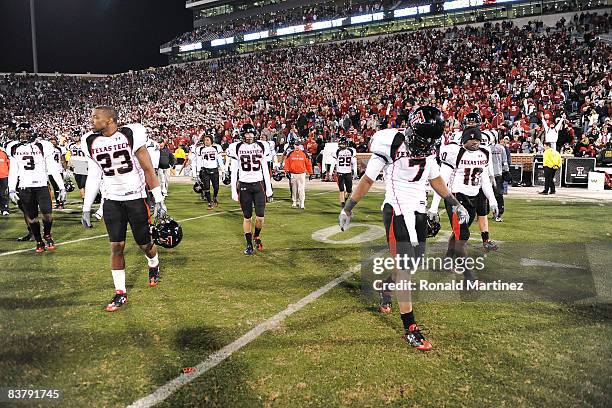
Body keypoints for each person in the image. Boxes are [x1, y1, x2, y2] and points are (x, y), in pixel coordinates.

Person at [339, 106, 470, 351]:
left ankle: (385, 288)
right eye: (422, 140)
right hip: (396, 211)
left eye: (430, 141)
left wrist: (454, 203)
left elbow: (436, 179)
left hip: (418, 210)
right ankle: (410, 327)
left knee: (413, 263)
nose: (425, 146)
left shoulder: (430, 150)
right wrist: (348, 207)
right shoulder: (389, 144)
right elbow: (367, 180)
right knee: (405, 268)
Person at [80, 106, 167, 312]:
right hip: (111, 200)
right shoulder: (90, 141)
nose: (92, 120)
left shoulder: (130, 134)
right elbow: (94, 175)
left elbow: (147, 168)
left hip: (136, 198)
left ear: (110, 120)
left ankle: (153, 263)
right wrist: (86, 207)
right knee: (116, 246)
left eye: (96, 117)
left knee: (144, 244)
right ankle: (120, 292)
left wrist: (158, 199)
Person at [428, 127, 499, 281]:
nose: (474, 144)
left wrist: (493, 201)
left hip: (473, 198)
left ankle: (448, 260)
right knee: (463, 235)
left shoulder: (484, 153)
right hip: (456, 198)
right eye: (470, 141)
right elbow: (442, 182)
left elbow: (484, 180)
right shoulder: (454, 153)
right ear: (463, 141)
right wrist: (434, 207)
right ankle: (469, 278)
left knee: (458, 234)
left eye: (477, 141)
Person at [8, 123, 66, 252]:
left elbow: (52, 168)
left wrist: (61, 187)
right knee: (32, 216)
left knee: (47, 213)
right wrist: (12, 188)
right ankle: (39, 241)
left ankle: (47, 234)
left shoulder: (43, 145)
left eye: (25, 133)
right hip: (25, 186)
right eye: (20, 133)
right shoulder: (13, 147)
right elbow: (13, 170)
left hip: (41, 185)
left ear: (32, 133)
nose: (22, 136)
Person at [227, 123, 273, 255]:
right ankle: (248, 244)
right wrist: (233, 191)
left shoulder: (262, 146)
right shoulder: (236, 147)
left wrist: (268, 188)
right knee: (247, 217)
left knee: (260, 218)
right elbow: (234, 170)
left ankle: (256, 235)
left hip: (258, 185)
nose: (249, 136)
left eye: (251, 133)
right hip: (244, 185)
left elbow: (264, 167)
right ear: (242, 134)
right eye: (246, 133)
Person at [195, 134, 224, 209]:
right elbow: (199, 161)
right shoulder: (200, 149)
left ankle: (214, 197)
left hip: (214, 169)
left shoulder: (216, 148)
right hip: (205, 170)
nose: (206, 141)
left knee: (216, 187)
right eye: (205, 140)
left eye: (208, 140)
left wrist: (223, 169)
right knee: (206, 188)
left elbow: (220, 159)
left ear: (211, 140)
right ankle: (209, 203)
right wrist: (197, 172)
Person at [284, 143, 312, 208]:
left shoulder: (304, 154)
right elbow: (287, 163)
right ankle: (294, 202)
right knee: (294, 189)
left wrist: (310, 172)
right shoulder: (290, 154)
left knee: (301, 189)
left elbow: (308, 163)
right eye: (296, 145)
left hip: (302, 173)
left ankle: (302, 203)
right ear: (294, 146)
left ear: (300, 146)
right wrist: (287, 171)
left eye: (298, 145)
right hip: (293, 173)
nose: (297, 146)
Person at [333, 136, 357, 208]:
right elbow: (335, 162)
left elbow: (354, 162)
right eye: (341, 143)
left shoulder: (350, 151)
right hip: (340, 172)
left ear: (346, 144)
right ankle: (342, 203)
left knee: (349, 190)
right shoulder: (338, 151)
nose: (341, 145)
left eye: (343, 144)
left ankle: (345, 199)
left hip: (348, 172)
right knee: (341, 189)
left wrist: (355, 171)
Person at [490, 133, 510, 221]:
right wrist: (506, 171)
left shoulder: (486, 148)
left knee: (495, 195)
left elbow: (505, 161)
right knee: (498, 194)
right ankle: (498, 213)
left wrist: (506, 171)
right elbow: (505, 161)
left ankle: (496, 213)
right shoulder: (501, 148)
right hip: (497, 174)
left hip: (491, 174)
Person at [67, 130, 87, 200]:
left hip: (84, 164)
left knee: (84, 183)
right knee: (80, 185)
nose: (75, 138)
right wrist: (69, 165)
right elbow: (71, 155)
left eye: (77, 136)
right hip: (76, 166)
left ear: (80, 136)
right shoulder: (71, 145)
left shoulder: (84, 144)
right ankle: (84, 199)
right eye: (74, 136)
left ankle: (90, 197)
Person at [0, 144, 9, 215]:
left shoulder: (3, 154)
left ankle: (4, 209)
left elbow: (8, 164)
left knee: (4, 194)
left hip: (4, 176)